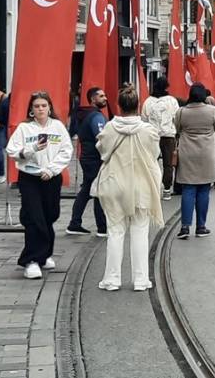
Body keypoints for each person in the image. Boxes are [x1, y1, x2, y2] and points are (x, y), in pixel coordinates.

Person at [94, 86, 164, 291]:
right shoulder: (149, 131)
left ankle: (112, 278)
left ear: (118, 106)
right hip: (141, 184)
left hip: (114, 183)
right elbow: (155, 154)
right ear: (139, 106)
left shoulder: (108, 128)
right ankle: (141, 279)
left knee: (115, 232)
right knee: (140, 231)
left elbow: (102, 152)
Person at [6, 91, 73, 279]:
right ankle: (31, 260)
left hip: (51, 177)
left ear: (49, 107)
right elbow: (12, 151)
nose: (40, 109)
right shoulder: (24, 129)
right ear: (31, 110)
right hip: (30, 178)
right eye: (36, 106)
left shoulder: (58, 127)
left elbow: (66, 151)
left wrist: (51, 169)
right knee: (34, 217)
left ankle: (44, 255)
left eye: (43, 105)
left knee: (50, 215)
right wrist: (31, 149)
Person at [173, 83, 215, 239]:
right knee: (204, 189)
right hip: (206, 152)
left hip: (187, 152)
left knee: (188, 189)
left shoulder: (181, 112)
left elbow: (177, 128)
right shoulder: (212, 110)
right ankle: (201, 226)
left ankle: (185, 227)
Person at [66, 87, 110, 237]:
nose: (105, 98)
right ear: (93, 99)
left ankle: (75, 223)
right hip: (94, 158)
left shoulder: (86, 114)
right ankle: (102, 227)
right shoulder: (96, 117)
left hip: (87, 156)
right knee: (98, 190)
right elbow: (102, 137)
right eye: (101, 96)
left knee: (87, 190)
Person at [141, 77, 180, 200]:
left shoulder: (148, 102)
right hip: (168, 136)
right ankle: (167, 189)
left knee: (151, 162)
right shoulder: (172, 101)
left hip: (151, 136)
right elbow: (177, 118)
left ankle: (152, 188)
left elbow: (144, 119)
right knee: (168, 164)